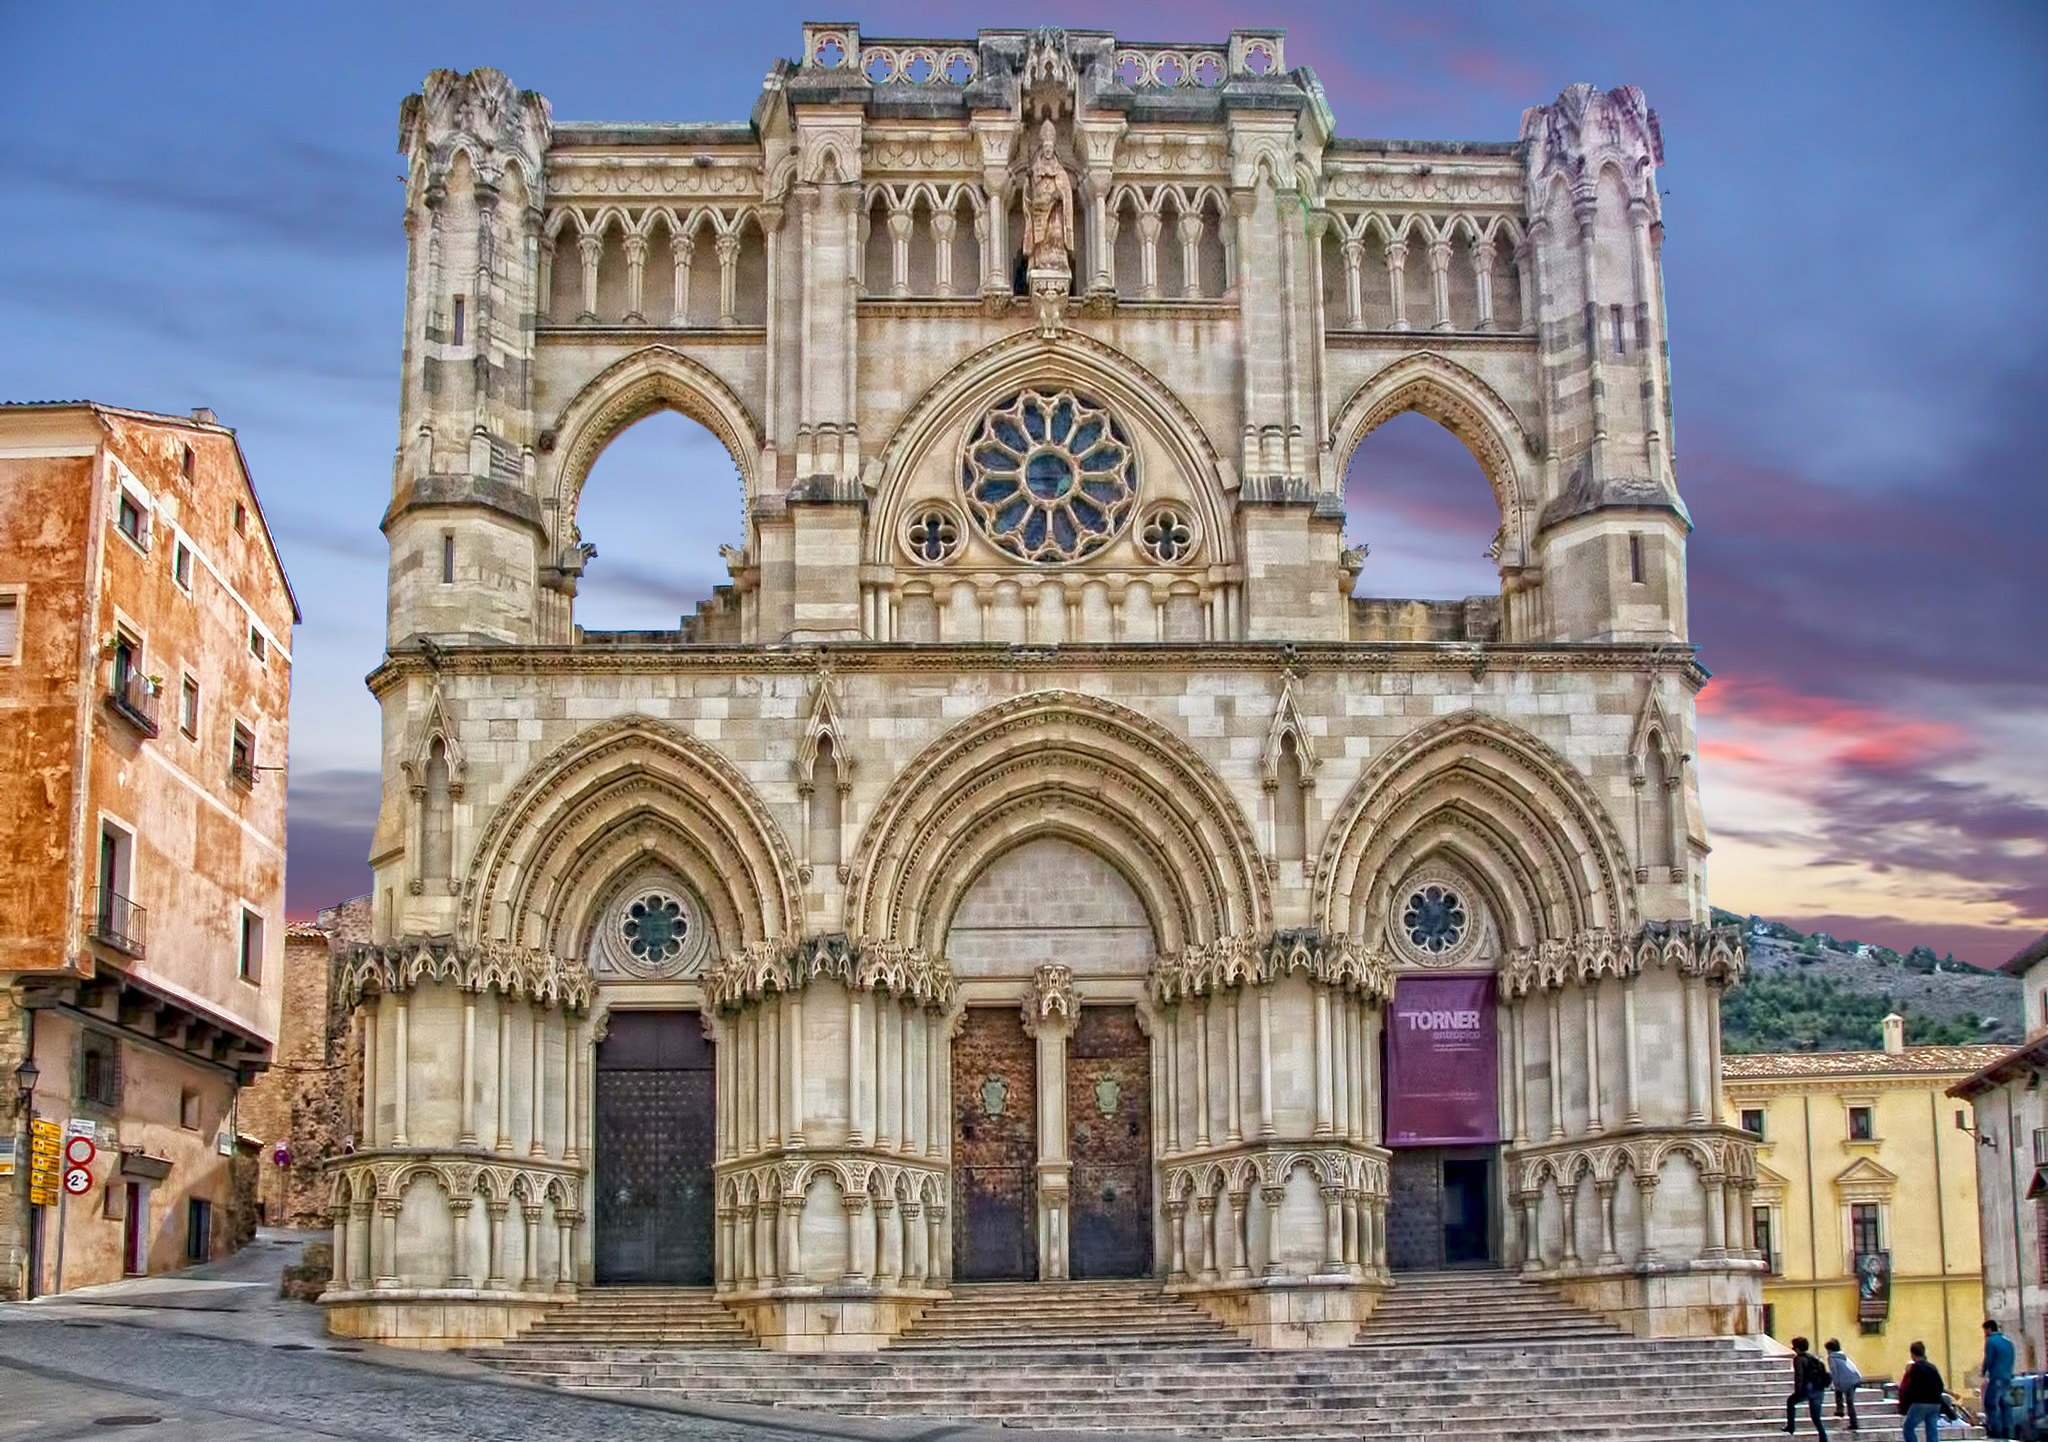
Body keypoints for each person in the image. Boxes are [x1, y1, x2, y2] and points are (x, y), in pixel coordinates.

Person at [1784, 1336, 1832, 1437]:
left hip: (1807, 1389)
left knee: (1790, 1401)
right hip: (1819, 1389)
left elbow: (1799, 1376)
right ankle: (1823, 1437)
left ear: (1797, 1348)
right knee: (1816, 1416)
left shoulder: (1798, 1359)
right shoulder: (1814, 1358)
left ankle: (1791, 1426)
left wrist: (1798, 1391)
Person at [1898, 1340, 1945, 1442]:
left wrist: (1905, 1404)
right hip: (1935, 1403)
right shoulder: (1932, 1367)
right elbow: (1940, 1386)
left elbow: (1913, 1387)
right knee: (1932, 1429)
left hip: (1920, 1402)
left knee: (1908, 1428)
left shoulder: (1915, 1368)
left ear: (1912, 1354)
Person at [1981, 1319, 2017, 1438]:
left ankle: (1995, 1432)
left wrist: (1984, 1371)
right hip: (2007, 1378)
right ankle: (2007, 1432)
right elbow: (2012, 1358)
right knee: (2005, 1406)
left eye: (1985, 1330)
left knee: (1991, 1404)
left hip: (1996, 1377)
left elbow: (1989, 1359)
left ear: (1989, 1329)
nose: (1985, 1333)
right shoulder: (2008, 1342)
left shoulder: (1991, 1341)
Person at [1824, 1338, 1861, 1431]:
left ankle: (1854, 1423)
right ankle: (1839, 1410)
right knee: (1839, 1393)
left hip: (1846, 1381)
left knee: (1849, 1402)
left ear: (1830, 1349)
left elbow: (1834, 1372)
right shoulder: (1842, 1356)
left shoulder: (1832, 1358)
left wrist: (1834, 1383)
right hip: (1854, 1379)